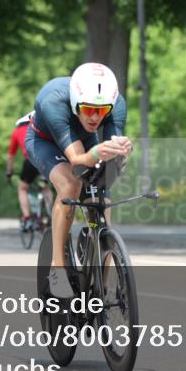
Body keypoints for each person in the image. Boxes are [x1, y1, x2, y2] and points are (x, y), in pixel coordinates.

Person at [25, 63, 132, 298]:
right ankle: (57, 267)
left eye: (102, 111)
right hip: (45, 142)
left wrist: (122, 151)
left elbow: (113, 152)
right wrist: (99, 153)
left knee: (101, 200)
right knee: (70, 185)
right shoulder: (53, 100)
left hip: (85, 141)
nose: (95, 117)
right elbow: (77, 160)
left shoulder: (116, 103)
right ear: (75, 103)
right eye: (88, 109)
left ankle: (101, 286)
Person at [6, 111, 52, 230]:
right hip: (46, 159)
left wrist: (9, 171)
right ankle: (50, 214)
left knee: (22, 188)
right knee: (45, 187)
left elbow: (11, 155)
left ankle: (26, 218)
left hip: (31, 161)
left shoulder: (16, 132)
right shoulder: (39, 126)